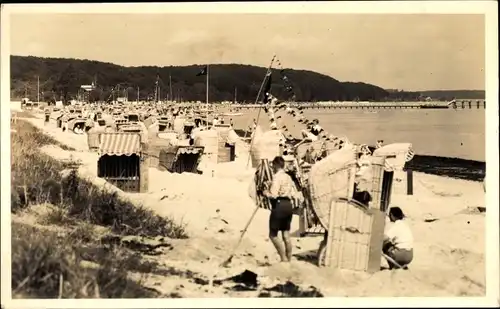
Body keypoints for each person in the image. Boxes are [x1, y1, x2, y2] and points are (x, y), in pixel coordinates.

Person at [263, 156, 303, 263]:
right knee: (286, 234)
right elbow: (293, 193)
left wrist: (266, 192)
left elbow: (274, 195)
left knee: (273, 235)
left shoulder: (276, 177)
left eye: (273, 166)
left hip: (279, 205)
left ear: (276, 165)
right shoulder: (288, 177)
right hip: (288, 205)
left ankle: (283, 258)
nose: (272, 167)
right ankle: (288, 259)